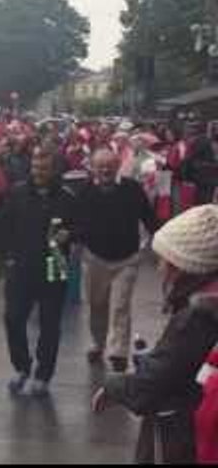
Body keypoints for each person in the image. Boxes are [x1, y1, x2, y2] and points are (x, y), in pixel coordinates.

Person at [92, 204, 218, 464]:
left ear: (183, 265)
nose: (159, 268)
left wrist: (113, 385)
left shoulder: (197, 317)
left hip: (177, 437)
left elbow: (150, 388)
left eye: (164, 260)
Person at [1, 145, 77, 397]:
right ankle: (22, 366)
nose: (38, 172)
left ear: (54, 169)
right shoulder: (18, 193)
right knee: (13, 318)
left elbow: (82, 226)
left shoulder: (67, 197)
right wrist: (8, 257)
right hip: (21, 265)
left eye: (44, 168)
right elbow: (4, 226)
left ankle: (43, 375)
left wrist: (71, 234)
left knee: (50, 323)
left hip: (55, 264)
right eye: (35, 167)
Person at [77, 148, 158, 373]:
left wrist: (161, 242)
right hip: (95, 258)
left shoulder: (132, 189)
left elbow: (149, 217)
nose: (105, 170)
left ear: (117, 166)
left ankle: (118, 352)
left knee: (121, 306)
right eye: (100, 165)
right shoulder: (84, 192)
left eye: (109, 165)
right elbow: (75, 223)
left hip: (127, 258)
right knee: (97, 306)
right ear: (92, 167)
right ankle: (97, 343)